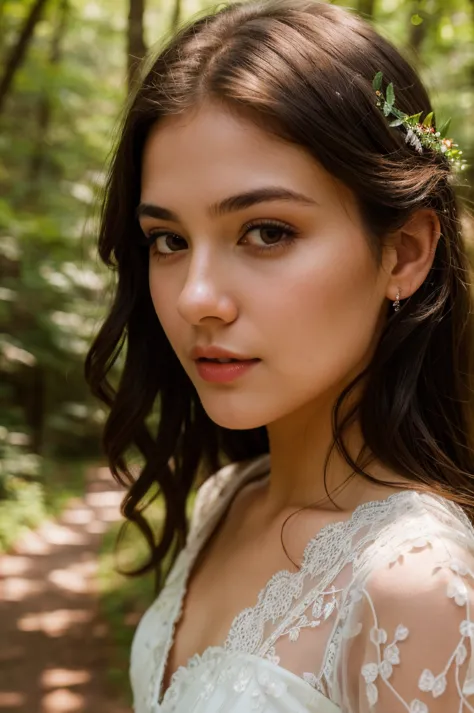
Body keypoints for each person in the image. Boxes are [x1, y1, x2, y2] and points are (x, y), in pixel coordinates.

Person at [85, 0, 474, 710]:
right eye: (168, 240)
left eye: (266, 231)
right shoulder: (226, 499)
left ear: (406, 253)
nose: (196, 296)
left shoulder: (414, 586)